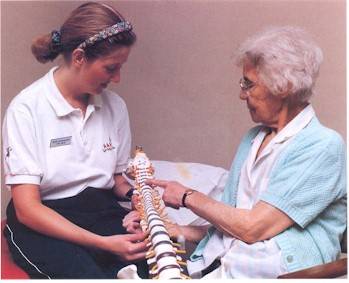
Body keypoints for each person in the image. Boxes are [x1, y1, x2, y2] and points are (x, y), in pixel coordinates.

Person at [126, 26, 347, 278]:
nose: (242, 94)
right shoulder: (252, 139)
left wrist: (188, 196)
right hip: (226, 263)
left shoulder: (322, 145)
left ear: (283, 87)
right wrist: (173, 229)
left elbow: (252, 229)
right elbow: (231, 226)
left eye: (248, 84)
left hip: (277, 272)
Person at [2, 2, 149, 279]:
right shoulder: (27, 108)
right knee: (88, 275)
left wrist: (136, 197)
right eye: (110, 68)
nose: (117, 78)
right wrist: (103, 243)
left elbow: (116, 180)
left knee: (152, 267)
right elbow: (27, 209)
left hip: (99, 208)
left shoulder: (115, 106)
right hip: (43, 218)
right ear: (80, 57)